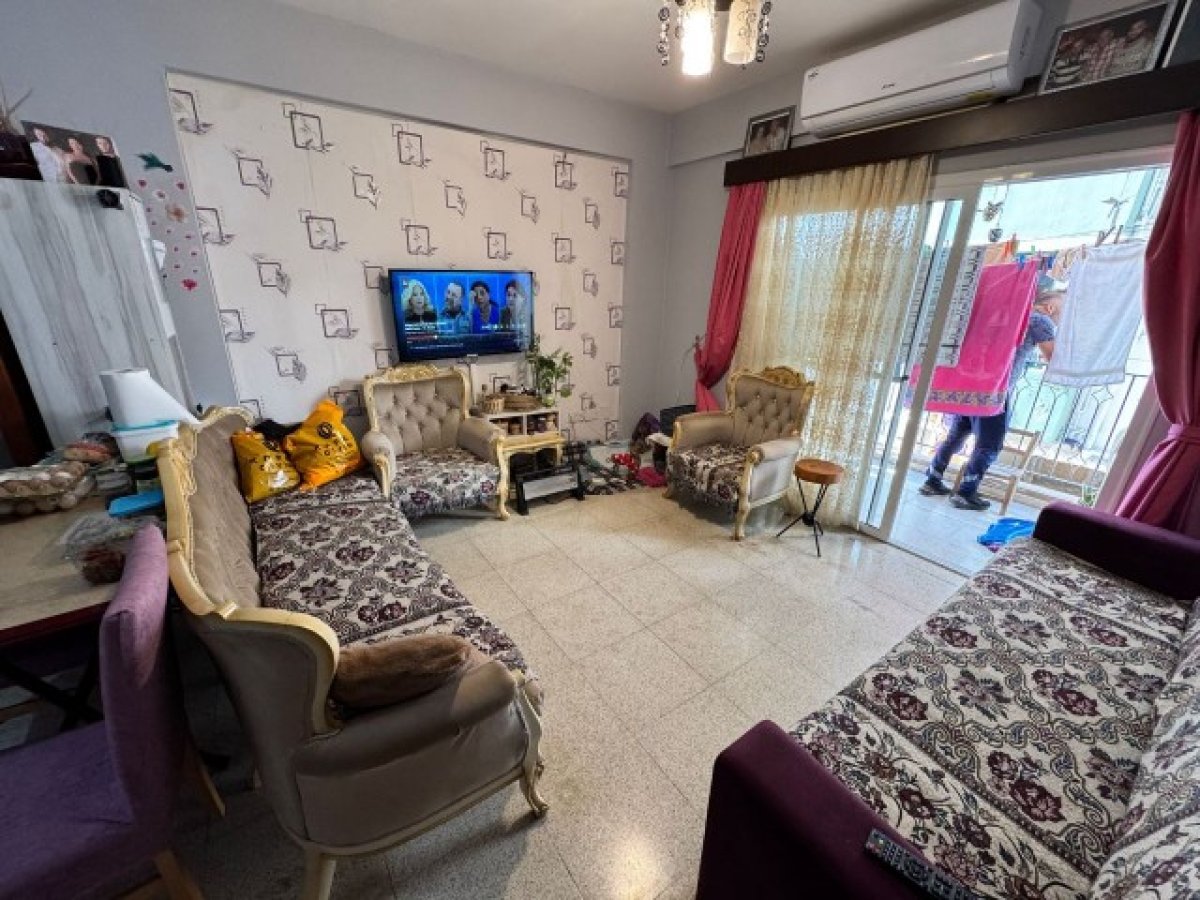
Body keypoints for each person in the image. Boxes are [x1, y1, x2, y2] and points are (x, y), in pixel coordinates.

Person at [918, 289, 1059, 511]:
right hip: (995, 389)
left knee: (957, 436)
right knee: (990, 444)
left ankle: (932, 479)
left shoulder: (1009, 314)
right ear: (1050, 307)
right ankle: (966, 492)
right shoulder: (1041, 321)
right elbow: (1053, 356)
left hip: (972, 384)